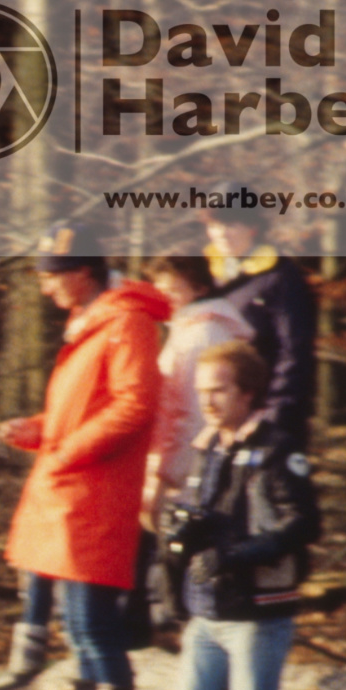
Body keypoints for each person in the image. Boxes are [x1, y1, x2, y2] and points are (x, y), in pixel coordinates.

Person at [0, 219, 169, 690]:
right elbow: (87, 411)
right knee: (79, 631)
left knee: (93, 629)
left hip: (92, 495)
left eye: (53, 277)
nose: (46, 289)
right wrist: (39, 431)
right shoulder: (91, 325)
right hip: (71, 491)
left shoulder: (124, 322)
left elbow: (135, 403)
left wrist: (67, 449)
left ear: (84, 272)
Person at [160, 340, 320, 690]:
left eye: (219, 390)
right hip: (207, 612)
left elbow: (303, 523)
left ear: (247, 391)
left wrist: (242, 553)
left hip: (259, 611)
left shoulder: (276, 449)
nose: (208, 400)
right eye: (202, 390)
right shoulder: (208, 448)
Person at [137, 257, 251, 634]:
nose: (165, 297)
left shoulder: (200, 335)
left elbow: (186, 412)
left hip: (188, 465)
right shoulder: (189, 329)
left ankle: (183, 622)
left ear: (199, 289)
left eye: (174, 288)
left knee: (184, 544)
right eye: (161, 288)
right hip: (190, 460)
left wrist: (166, 471)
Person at [202, 190, 317, 444]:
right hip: (214, 416)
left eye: (231, 224)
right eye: (215, 225)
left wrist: (274, 412)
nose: (221, 233)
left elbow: (294, 351)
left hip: (262, 414)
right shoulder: (204, 274)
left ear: (252, 227)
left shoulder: (280, 276)